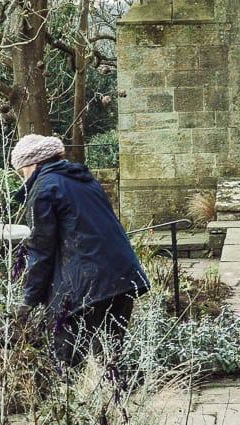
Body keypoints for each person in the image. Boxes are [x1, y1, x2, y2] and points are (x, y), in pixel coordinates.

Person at [11, 134, 150, 368]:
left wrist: (28, 301)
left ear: (33, 164)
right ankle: (122, 401)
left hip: (87, 285)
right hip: (122, 277)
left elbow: (40, 250)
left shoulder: (44, 189)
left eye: (21, 170)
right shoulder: (83, 180)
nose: (22, 177)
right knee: (111, 360)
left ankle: (72, 402)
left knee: (67, 364)